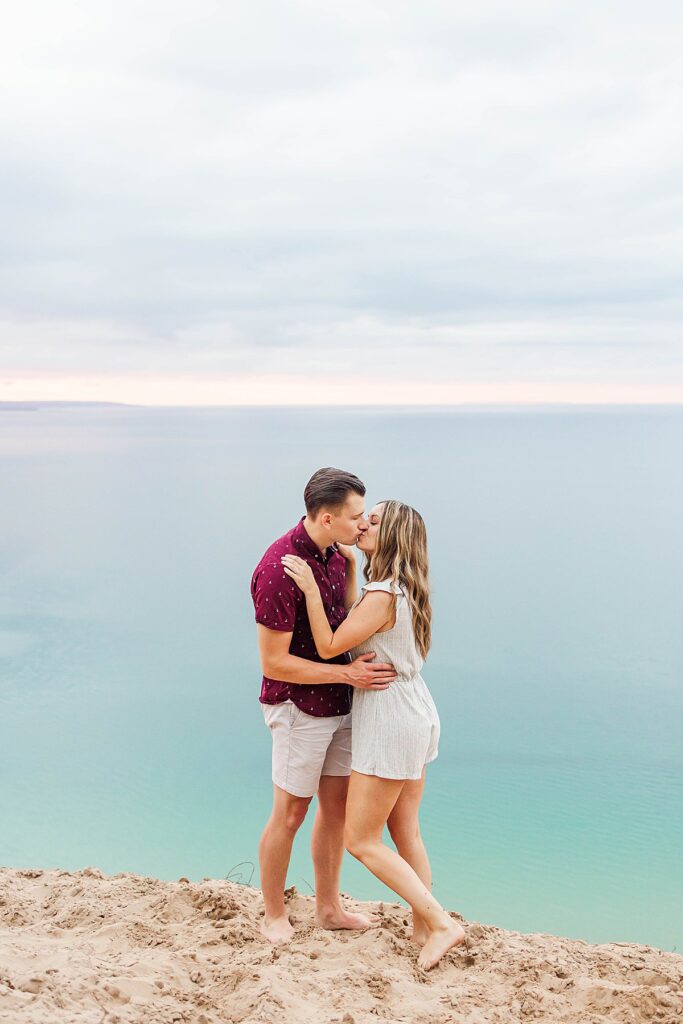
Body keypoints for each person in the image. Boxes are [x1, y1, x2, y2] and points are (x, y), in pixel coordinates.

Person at [281, 499, 466, 970]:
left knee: (361, 839)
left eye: (375, 520)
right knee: (406, 831)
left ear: (395, 536)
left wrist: (308, 590)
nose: (363, 522)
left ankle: (441, 923)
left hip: (389, 718)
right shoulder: (398, 588)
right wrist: (346, 576)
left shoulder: (382, 594)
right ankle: (424, 929)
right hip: (414, 707)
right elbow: (359, 621)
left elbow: (328, 644)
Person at [251, 468, 397, 945]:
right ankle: (273, 913)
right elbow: (275, 663)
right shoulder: (278, 569)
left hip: (342, 702)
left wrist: (353, 576)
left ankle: (329, 908)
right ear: (328, 516)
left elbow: (341, 626)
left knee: (335, 811)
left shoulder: (338, 557)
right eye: (356, 517)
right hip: (297, 707)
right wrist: (347, 674)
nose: (363, 525)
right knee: (290, 813)